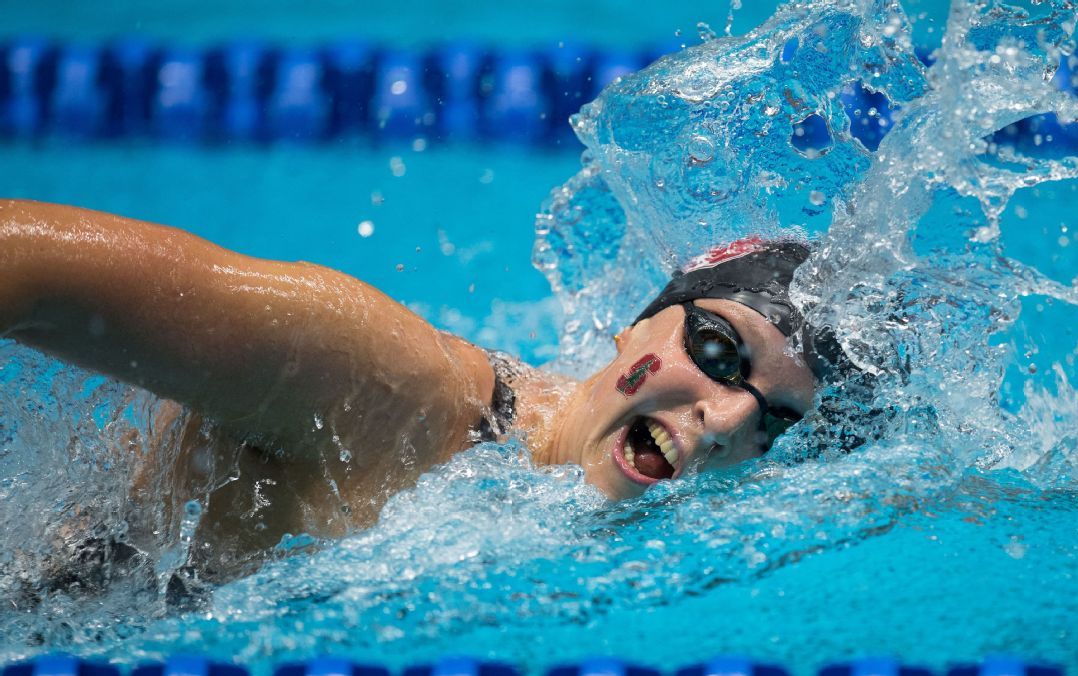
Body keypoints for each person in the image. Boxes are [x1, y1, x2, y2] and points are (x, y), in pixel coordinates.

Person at [0, 199, 831, 587]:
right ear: (637, 328)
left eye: (777, 422)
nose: (726, 421)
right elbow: (25, 266)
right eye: (720, 352)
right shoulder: (380, 384)